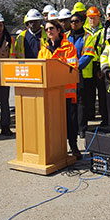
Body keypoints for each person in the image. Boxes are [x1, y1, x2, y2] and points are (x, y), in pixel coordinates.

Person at [38, 20, 81, 160]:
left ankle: (73, 146)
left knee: (70, 122)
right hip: (50, 95)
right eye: (47, 29)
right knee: (54, 124)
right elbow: (40, 69)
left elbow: (72, 68)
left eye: (51, 28)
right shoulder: (43, 49)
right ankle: (56, 150)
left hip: (67, 93)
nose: (49, 31)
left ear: (58, 30)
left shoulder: (69, 47)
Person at [67, 13, 96, 138]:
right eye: (72, 21)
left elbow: (88, 55)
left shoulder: (88, 36)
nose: (74, 23)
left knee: (81, 103)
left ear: (82, 22)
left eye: (76, 21)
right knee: (70, 102)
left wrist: (75, 66)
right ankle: (72, 128)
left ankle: (82, 128)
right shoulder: (66, 36)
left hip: (81, 74)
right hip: (67, 75)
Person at [85, 6, 108, 127]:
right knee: (89, 92)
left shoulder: (104, 30)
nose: (92, 20)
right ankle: (90, 114)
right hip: (88, 65)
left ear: (99, 17)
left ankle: (105, 117)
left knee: (102, 93)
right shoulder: (84, 30)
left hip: (99, 64)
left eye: (94, 18)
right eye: (90, 18)